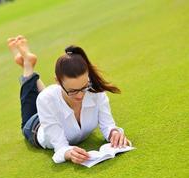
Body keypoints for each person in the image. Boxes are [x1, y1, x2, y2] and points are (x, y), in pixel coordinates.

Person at [7, 35, 132, 165]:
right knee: (33, 98)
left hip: (52, 106)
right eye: (73, 91)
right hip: (35, 126)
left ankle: (28, 64)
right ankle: (27, 65)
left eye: (84, 87)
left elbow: (108, 126)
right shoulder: (46, 99)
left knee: (49, 97)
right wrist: (68, 153)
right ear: (58, 82)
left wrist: (114, 133)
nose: (80, 96)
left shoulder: (95, 90)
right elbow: (60, 147)